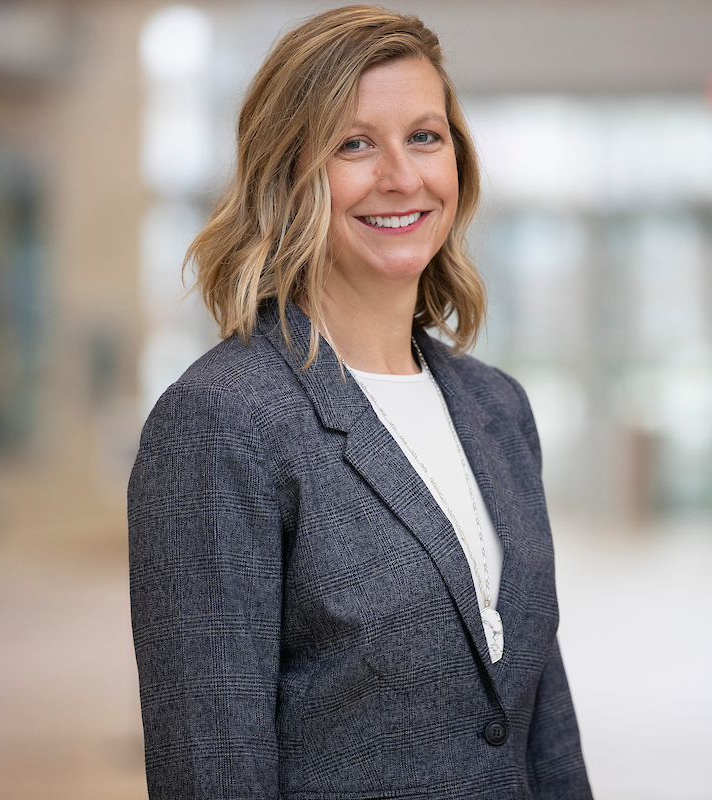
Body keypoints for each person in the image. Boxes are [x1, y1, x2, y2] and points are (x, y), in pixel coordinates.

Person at [128, 6, 593, 799]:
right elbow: (214, 765)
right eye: (354, 144)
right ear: (287, 176)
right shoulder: (221, 420)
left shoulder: (497, 408)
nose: (402, 176)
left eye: (425, 136)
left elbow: (540, 720)